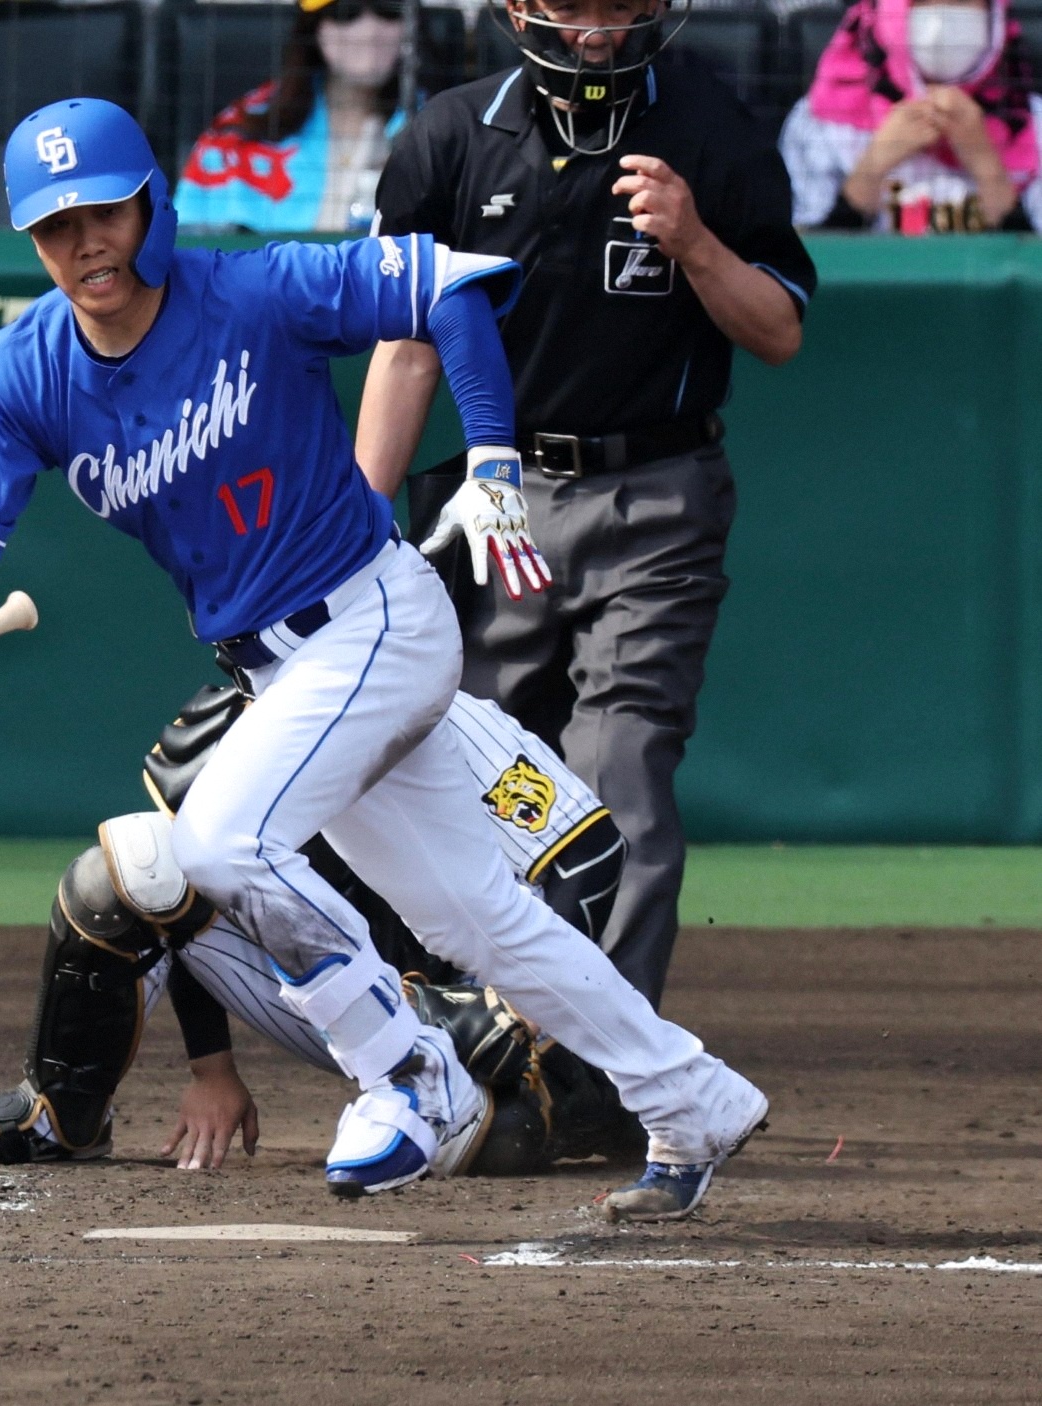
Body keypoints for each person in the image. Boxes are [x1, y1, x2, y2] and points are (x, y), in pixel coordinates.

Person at [0, 95, 766, 1220]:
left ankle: (407, 1070)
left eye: (102, 213)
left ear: (148, 205)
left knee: (218, 842)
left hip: (375, 620)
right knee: (475, 919)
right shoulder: (24, 373)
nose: (83, 245)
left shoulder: (251, 291)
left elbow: (445, 284)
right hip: (282, 667)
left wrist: (492, 454)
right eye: (54, 228)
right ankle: (688, 1094)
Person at [358, 0, 816, 1007]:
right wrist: (356, 529)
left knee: (619, 766)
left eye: (619, 5)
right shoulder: (448, 136)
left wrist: (694, 241)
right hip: (500, 500)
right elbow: (406, 347)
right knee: (481, 766)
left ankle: (603, 1068)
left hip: (658, 495)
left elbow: (778, 328)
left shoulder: (712, 126)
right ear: (518, 8)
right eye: (572, 4)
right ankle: (479, 1033)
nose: (596, 30)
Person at [0, 682, 642, 1176]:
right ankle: (60, 1112)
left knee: (500, 1139)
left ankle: (583, 1104)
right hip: (340, 994)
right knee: (136, 868)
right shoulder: (245, 719)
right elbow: (202, 889)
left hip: (471, 1021)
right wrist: (214, 1071)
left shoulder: (446, 720)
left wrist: (524, 1003)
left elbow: (589, 854)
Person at [781, 0, 1042, 232]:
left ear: (994, 11)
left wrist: (988, 167)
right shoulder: (821, 119)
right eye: (922, 1)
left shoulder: (1032, 123)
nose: (941, 18)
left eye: (961, 0)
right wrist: (874, 165)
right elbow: (799, 268)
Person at [175, 0, 413, 232]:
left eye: (387, 9)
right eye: (346, 12)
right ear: (314, 26)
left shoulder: (438, 130)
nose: (369, 31)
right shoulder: (238, 136)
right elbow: (191, 249)